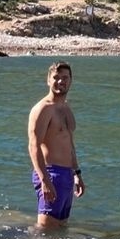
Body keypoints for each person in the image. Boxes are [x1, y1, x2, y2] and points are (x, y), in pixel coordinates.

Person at [27, 62, 85, 229]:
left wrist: (76, 173)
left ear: (71, 80)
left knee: (61, 229)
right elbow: (33, 146)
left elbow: (69, 143)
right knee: (45, 229)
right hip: (50, 174)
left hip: (66, 175)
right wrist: (45, 180)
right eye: (56, 78)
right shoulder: (43, 109)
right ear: (48, 80)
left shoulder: (66, 108)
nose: (61, 81)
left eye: (65, 78)